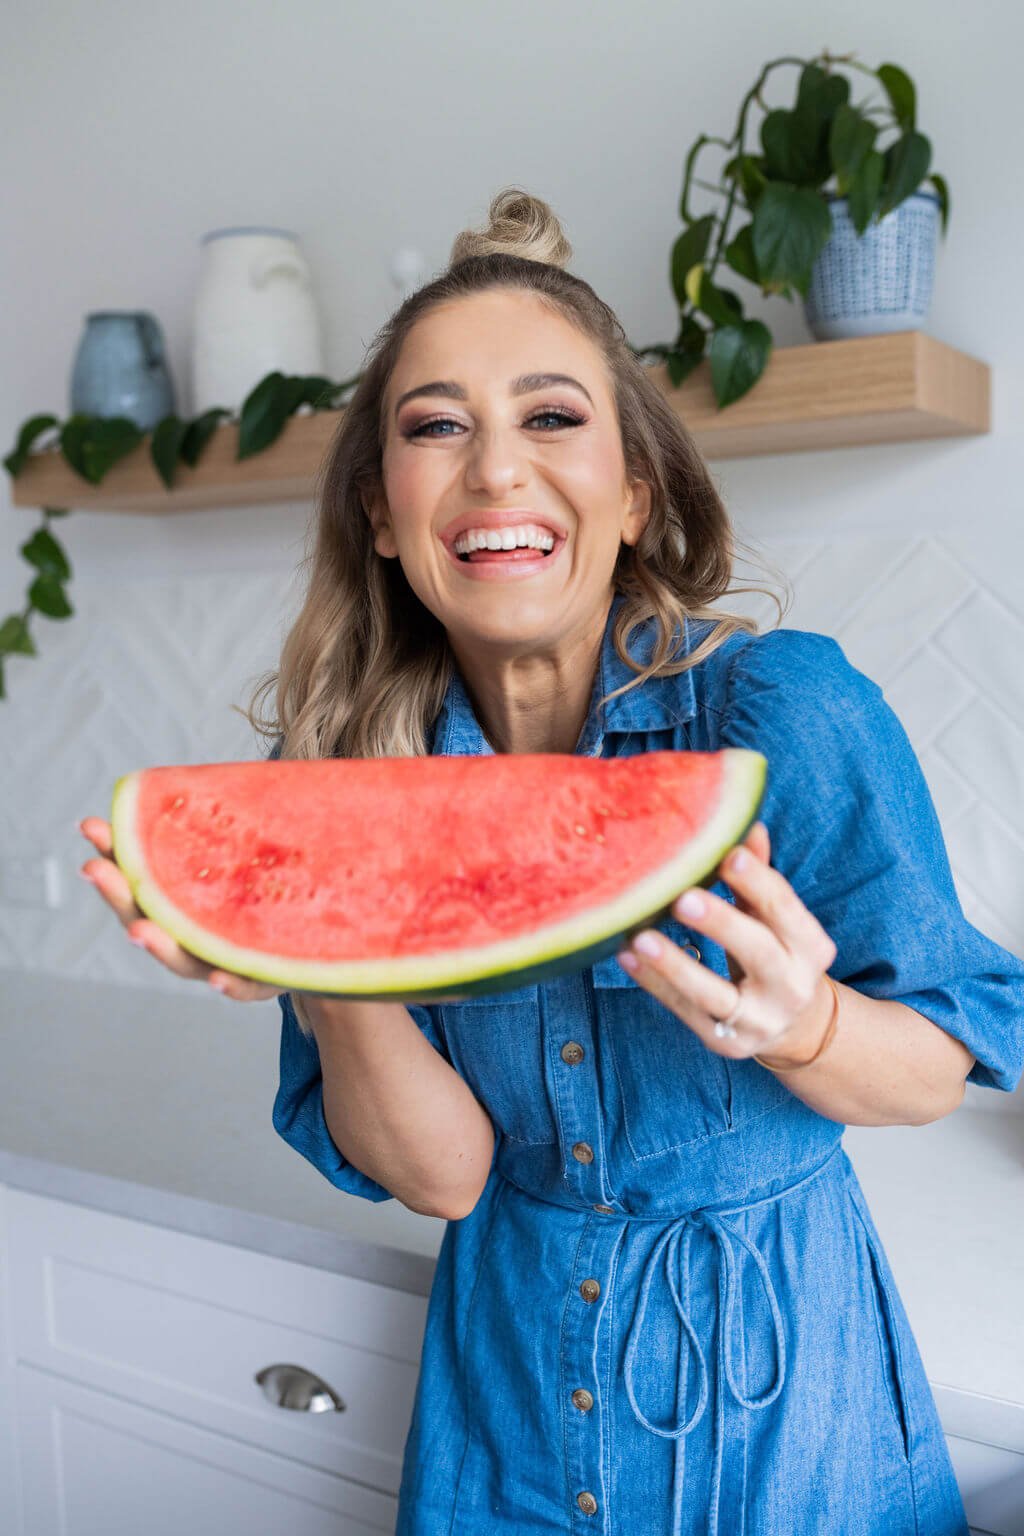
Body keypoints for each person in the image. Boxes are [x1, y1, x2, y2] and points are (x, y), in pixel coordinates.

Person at [79, 187, 1024, 1535]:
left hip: (778, 1411)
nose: (495, 470)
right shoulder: (358, 792)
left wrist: (804, 1021)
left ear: (637, 495)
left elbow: (946, 1056)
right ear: (386, 518)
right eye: (436, 427)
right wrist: (314, 962)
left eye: (551, 417)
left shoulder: (785, 715)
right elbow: (449, 1177)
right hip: (504, 1406)